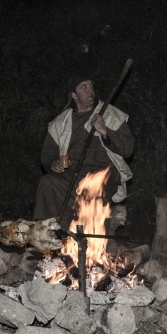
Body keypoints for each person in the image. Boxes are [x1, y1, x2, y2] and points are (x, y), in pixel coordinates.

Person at [33, 75, 134, 230]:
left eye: (91, 86)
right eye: (84, 87)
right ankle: (48, 234)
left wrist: (105, 131)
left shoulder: (110, 115)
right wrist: (53, 163)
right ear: (74, 95)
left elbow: (128, 149)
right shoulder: (61, 123)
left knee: (92, 187)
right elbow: (48, 153)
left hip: (104, 172)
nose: (90, 90)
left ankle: (91, 241)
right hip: (72, 172)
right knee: (48, 182)